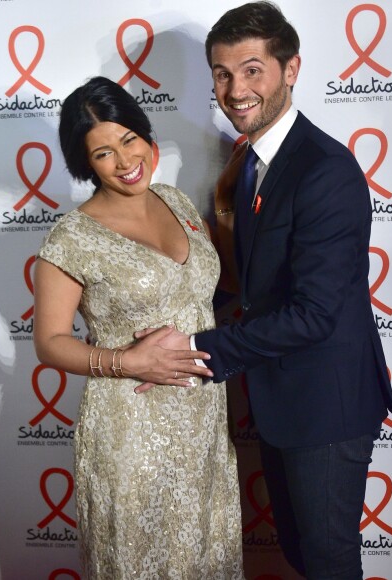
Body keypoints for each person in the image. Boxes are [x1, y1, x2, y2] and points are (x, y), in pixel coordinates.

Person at [134, 3, 392, 579]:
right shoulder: (250, 164)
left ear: (291, 69)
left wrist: (193, 352)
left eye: (253, 70)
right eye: (223, 74)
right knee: (303, 556)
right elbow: (254, 290)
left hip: (327, 403)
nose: (236, 89)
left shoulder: (324, 168)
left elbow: (314, 314)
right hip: (280, 399)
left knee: (327, 563)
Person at [33, 76, 244, 579]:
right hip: (130, 430)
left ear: (147, 136)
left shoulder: (177, 201)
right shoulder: (71, 238)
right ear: (86, 164)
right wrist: (128, 360)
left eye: (129, 139)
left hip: (204, 425)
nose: (125, 161)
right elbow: (49, 343)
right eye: (103, 153)